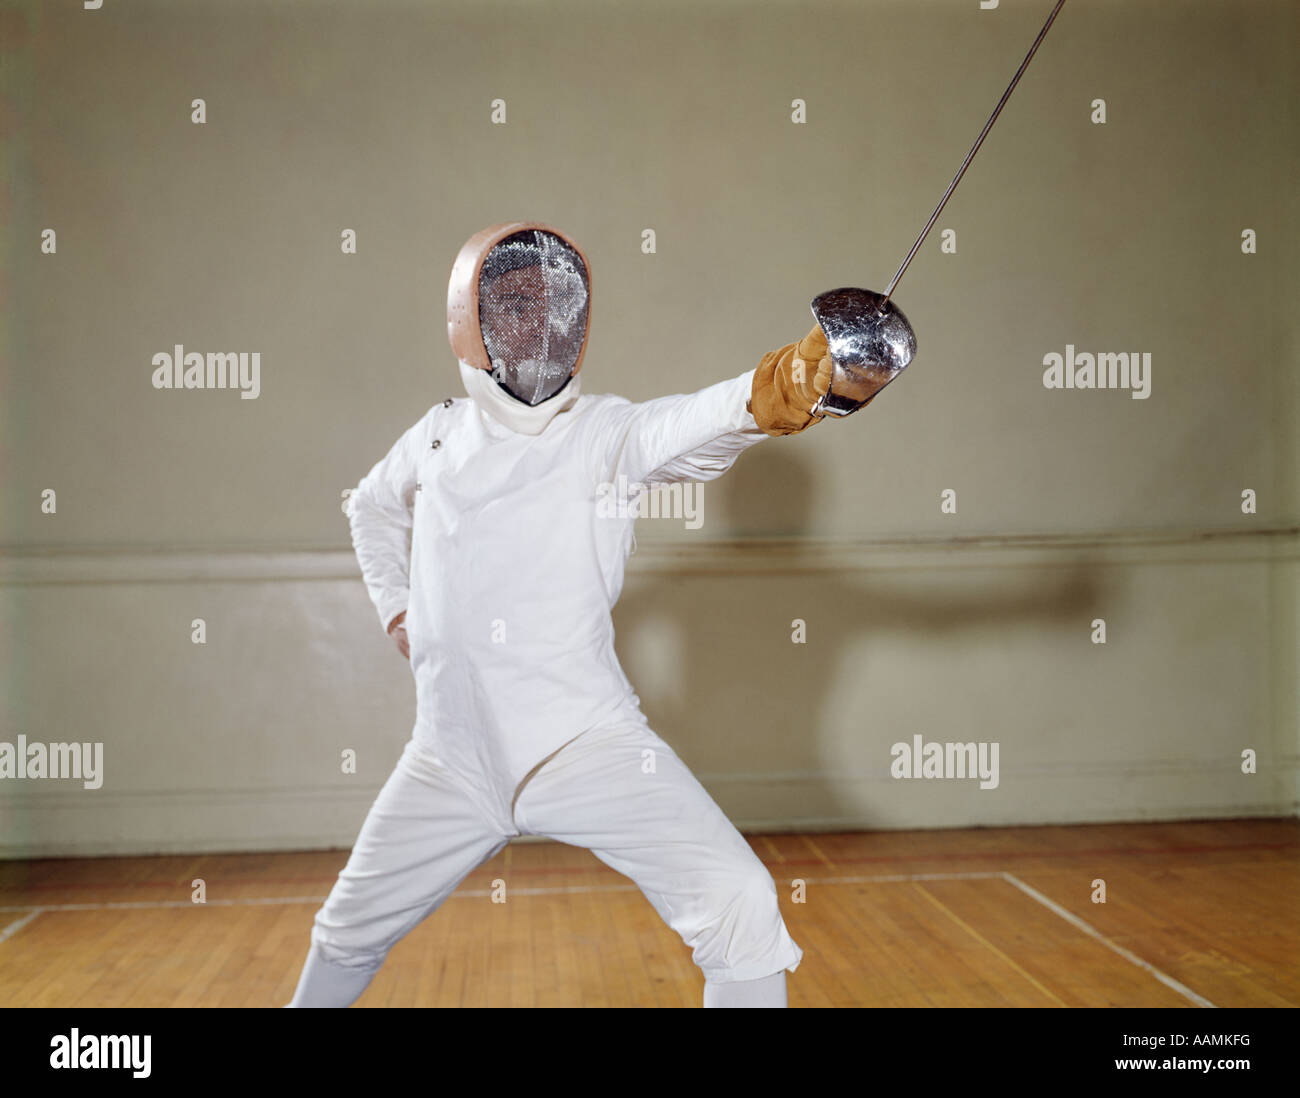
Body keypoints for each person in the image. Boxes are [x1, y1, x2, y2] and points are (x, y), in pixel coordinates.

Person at [286, 222, 852, 1008]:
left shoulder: (605, 437)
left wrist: (786, 384)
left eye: (559, 304)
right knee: (347, 931)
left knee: (739, 904)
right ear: (467, 319)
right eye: (516, 302)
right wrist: (398, 613)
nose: (541, 325)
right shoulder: (439, 431)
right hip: (448, 757)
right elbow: (372, 510)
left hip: (584, 745)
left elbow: (699, 424)